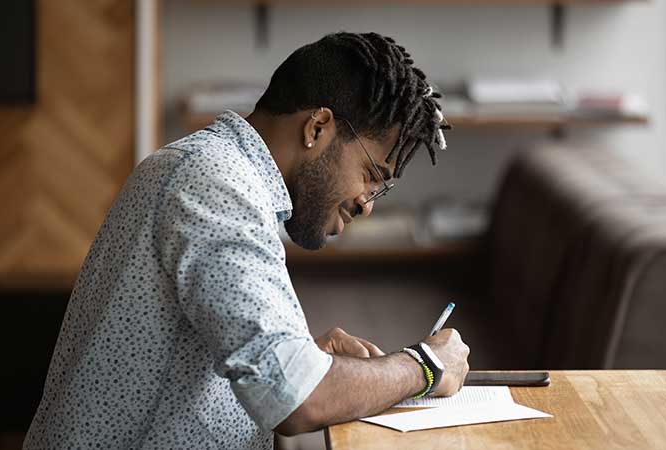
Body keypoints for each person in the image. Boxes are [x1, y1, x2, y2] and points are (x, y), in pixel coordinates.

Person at [24, 31, 470, 450]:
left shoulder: (208, 166)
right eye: (372, 176)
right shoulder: (215, 182)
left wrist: (306, 358)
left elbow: (206, 360)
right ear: (317, 128)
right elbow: (294, 400)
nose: (367, 204)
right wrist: (425, 365)